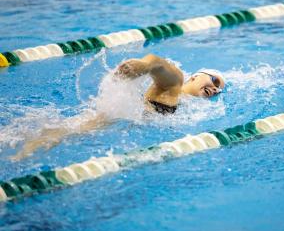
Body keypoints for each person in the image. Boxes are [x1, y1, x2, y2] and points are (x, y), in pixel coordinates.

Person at [11, 54, 225, 160]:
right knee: (39, 143)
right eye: (214, 81)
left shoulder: (186, 106)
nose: (215, 89)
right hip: (102, 125)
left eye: (219, 90)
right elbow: (157, 63)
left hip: (102, 129)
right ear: (196, 76)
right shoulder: (174, 87)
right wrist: (143, 66)